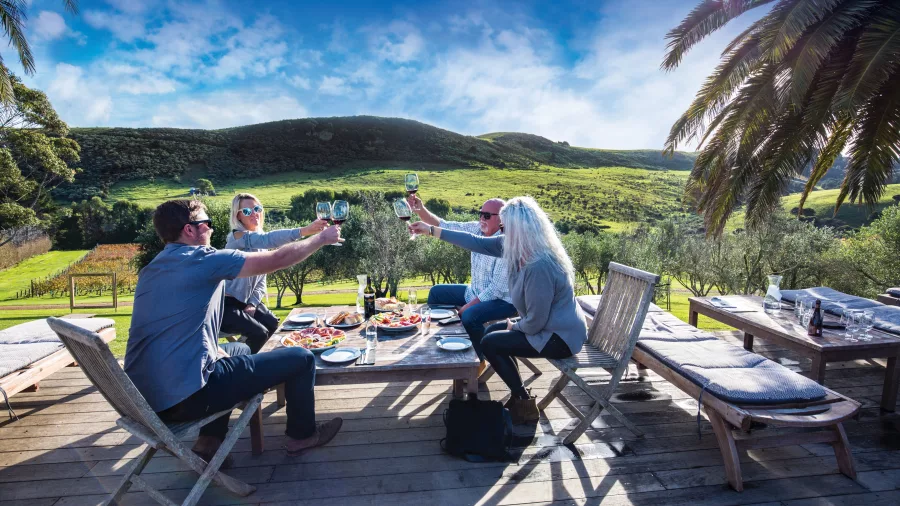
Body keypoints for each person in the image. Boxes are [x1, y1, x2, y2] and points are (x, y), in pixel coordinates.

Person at [125, 199, 344, 465]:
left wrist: (213, 350)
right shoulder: (202, 259)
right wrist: (320, 239)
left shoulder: (152, 269)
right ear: (189, 230)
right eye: (206, 223)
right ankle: (302, 436)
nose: (211, 230)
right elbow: (278, 258)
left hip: (144, 399)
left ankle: (210, 442)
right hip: (188, 397)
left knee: (238, 349)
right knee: (301, 358)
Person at [409, 197, 587, 423]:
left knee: (491, 342)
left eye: (505, 226)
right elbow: (474, 242)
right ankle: (520, 395)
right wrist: (431, 230)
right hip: (544, 327)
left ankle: (523, 402)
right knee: (492, 336)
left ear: (520, 228)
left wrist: (514, 325)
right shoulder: (513, 247)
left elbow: (534, 323)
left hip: (559, 337)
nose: (502, 231)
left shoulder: (539, 265)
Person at [407, 194, 517, 376]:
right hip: (474, 292)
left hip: (502, 301)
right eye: (480, 213)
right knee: (436, 293)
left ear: (502, 219)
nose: (482, 218)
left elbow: (495, 290)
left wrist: (466, 307)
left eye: (487, 216)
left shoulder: (506, 244)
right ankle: (444, 339)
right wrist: (419, 209)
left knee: (470, 316)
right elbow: (443, 225)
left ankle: (479, 359)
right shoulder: (477, 229)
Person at [222, 193, 327, 353]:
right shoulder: (237, 237)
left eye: (257, 209)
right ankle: (241, 369)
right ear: (238, 216)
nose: (255, 213)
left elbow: (261, 281)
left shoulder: (260, 244)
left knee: (272, 324)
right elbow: (268, 239)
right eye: (248, 211)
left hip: (246, 301)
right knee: (259, 333)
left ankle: (246, 355)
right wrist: (305, 231)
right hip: (226, 304)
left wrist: (252, 303)